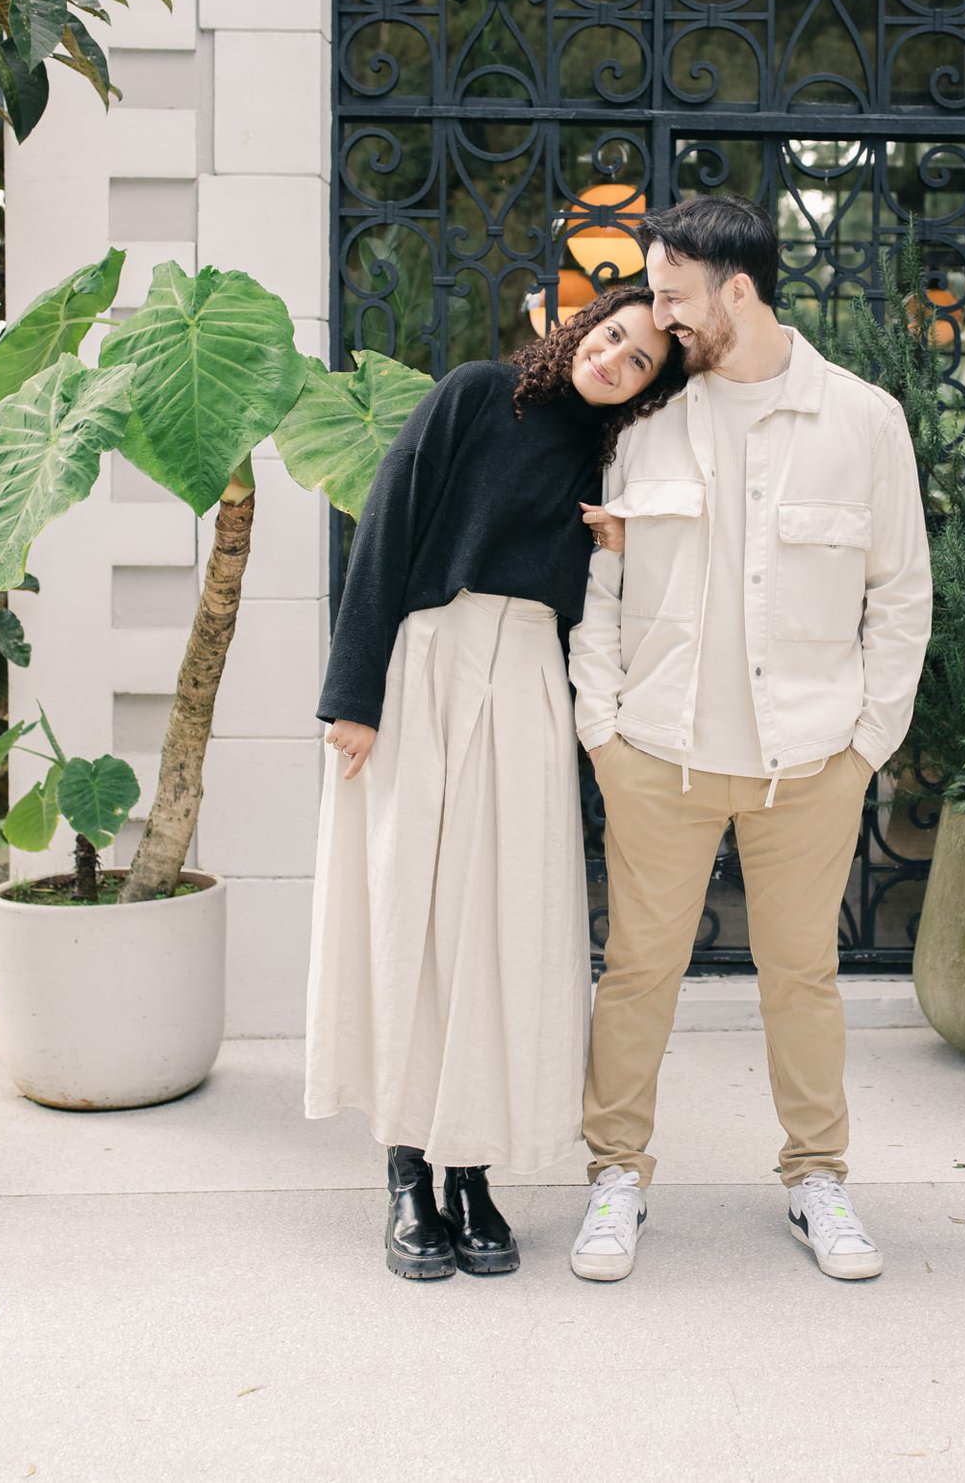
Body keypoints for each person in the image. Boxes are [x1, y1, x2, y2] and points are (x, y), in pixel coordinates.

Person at [567, 195, 932, 1283]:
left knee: (801, 973)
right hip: (656, 753)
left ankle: (816, 1175)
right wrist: (602, 729)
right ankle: (615, 1176)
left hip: (811, 760)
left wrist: (867, 741)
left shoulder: (863, 420)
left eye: (672, 294)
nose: (654, 313)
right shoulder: (642, 422)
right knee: (636, 971)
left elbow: (900, 592)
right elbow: (600, 583)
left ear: (738, 289)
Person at [306, 289, 685, 1283]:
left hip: (524, 680)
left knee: (496, 922)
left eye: (640, 358)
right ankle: (404, 1174)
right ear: (578, 330)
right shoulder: (476, 394)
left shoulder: (612, 464)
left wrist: (620, 545)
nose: (615, 358)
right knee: (408, 917)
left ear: (649, 388)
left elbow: (632, 602)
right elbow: (385, 526)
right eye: (610, 335)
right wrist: (354, 692)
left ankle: (469, 1171)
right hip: (421, 660)